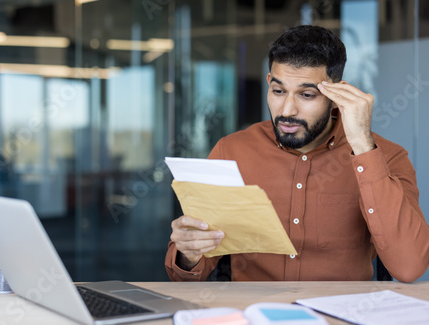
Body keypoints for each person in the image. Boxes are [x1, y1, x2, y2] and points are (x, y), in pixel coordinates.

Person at [165, 25, 429, 282]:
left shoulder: (386, 157)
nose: (288, 110)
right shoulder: (231, 151)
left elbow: (409, 268)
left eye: (306, 94)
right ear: (269, 83)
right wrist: (189, 253)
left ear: (337, 93)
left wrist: (361, 144)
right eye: (278, 91)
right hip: (254, 317)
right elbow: (190, 273)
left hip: (341, 319)